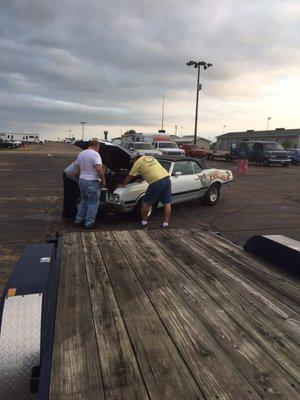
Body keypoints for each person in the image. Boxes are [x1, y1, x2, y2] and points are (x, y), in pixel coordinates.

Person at [120, 152, 171, 228]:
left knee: (145, 203)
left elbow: (131, 176)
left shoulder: (138, 162)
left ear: (135, 158)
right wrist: (142, 179)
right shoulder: (151, 158)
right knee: (167, 203)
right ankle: (165, 224)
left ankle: (144, 224)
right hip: (167, 179)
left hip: (156, 182)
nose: (132, 163)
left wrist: (123, 184)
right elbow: (151, 169)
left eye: (132, 161)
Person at [75, 139, 105, 229]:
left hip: (82, 180)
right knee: (92, 204)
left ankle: (78, 221)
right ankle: (89, 224)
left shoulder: (81, 154)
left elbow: (79, 169)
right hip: (92, 182)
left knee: (83, 201)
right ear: (97, 146)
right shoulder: (95, 154)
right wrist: (103, 180)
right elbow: (99, 169)